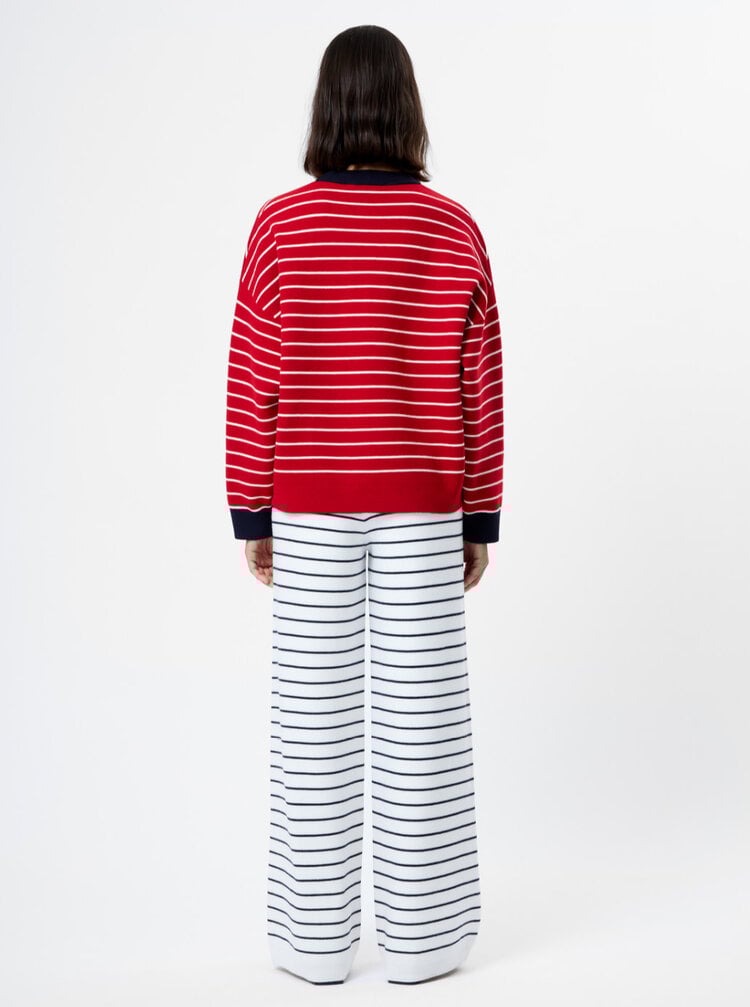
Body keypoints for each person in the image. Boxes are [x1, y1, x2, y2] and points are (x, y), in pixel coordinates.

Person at [224, 24, 504, 986]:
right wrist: (479, 518)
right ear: (407, 108)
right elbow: (481, 385)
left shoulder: (279, 226)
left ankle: (312, 946)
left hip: (307, 503)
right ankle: (426, 943)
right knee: (425, 724)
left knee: (314, 726)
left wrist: (252, 512)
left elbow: (252, 375)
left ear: (327, 108)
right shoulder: (453, 229)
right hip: (425, 505)